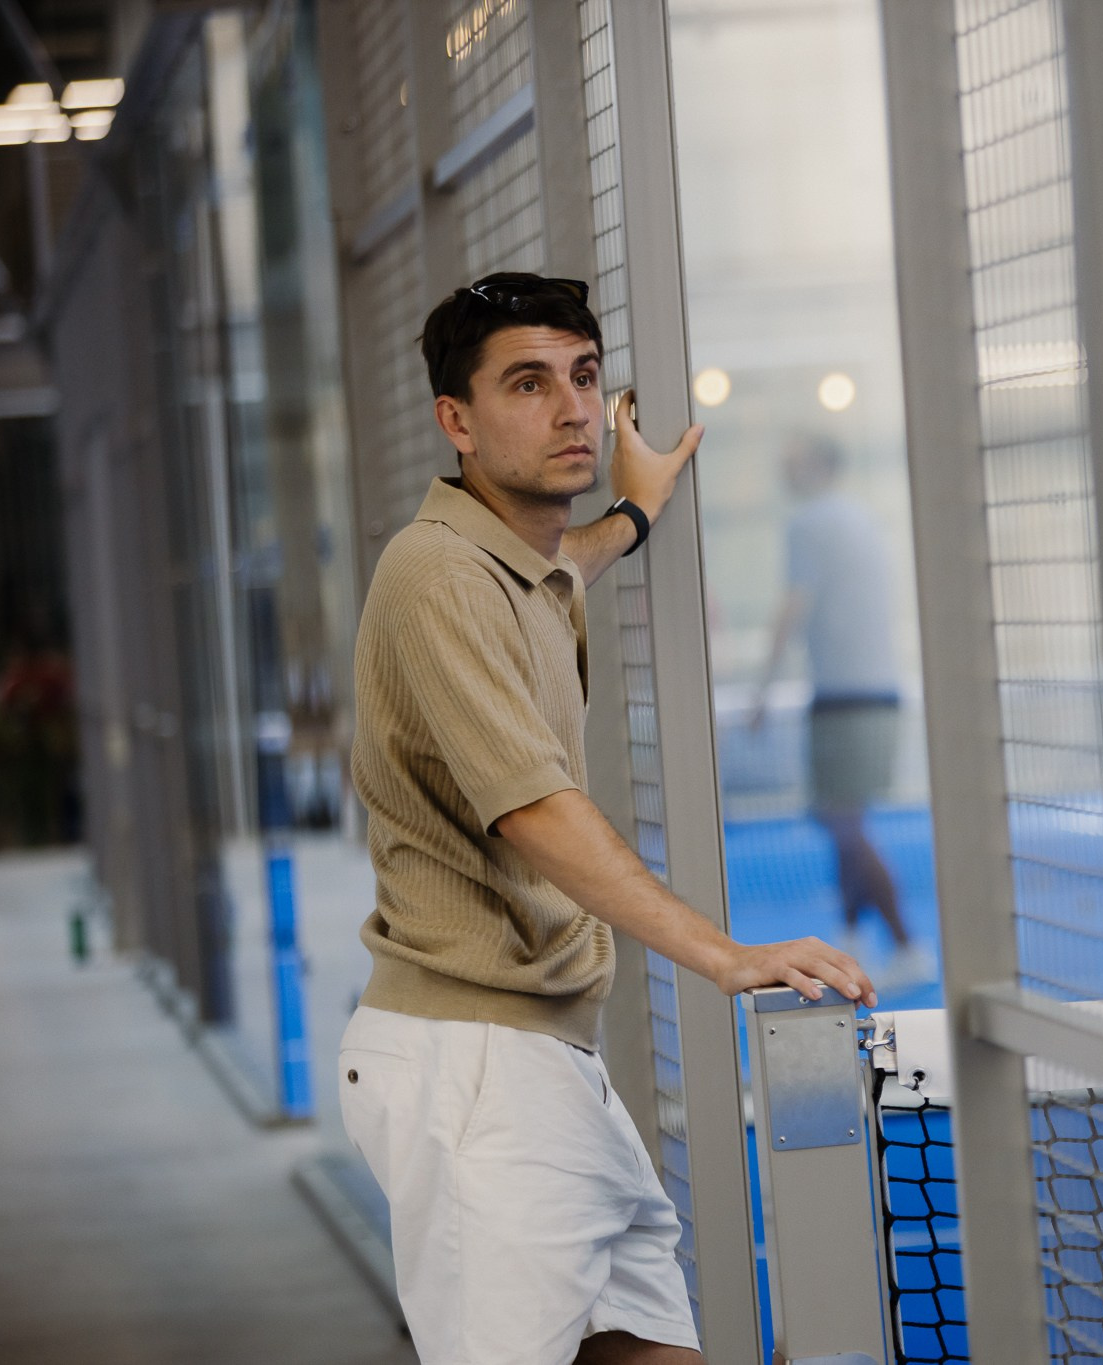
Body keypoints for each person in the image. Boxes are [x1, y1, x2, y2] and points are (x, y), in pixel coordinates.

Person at [342, 272, 874, 1365]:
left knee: (649, 1353)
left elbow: (566, 563)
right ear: (456, 421)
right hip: (476, 1068)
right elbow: (535, 810)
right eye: (527, 385)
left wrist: (631, 514)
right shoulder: (435, 576)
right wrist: (722, 955)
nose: (573, 409)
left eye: (583, 378)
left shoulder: (513, 568)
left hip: (540, 1062)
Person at [751, 435, 932, 988]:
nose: (784, 462)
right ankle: (854, 940)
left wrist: (763, 688)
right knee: (841, 822)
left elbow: (794, 606)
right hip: (872, 692)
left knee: (845, 824)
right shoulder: (860, 520)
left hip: (846, 698)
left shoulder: (809, 523)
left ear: (820, 464)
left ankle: (905, 945)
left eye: (795, 456)